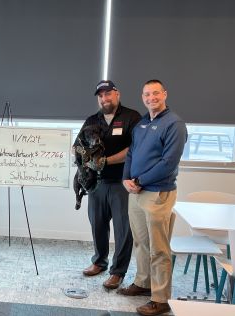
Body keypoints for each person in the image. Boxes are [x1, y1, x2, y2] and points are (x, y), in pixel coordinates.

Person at [117, 79, 187, 316]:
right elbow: (131, 154)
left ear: (165, 94)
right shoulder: (142, 124)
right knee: (141, 243)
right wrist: (127, 179)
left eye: (156, 93)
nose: (151, 98)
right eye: (147, 94)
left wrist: (139, 181)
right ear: (143, 97)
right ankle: (143, 282)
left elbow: (168, 163)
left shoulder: (174, 124)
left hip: (158, 192)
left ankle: (160, 298)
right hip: (135, 192)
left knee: (159, 248)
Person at [77, 80, 141, 291]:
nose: (104, 99)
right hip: (96, 184)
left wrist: (106, 161)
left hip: (122, 183)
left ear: (117, 94)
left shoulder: (132, 117)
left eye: (108, 94)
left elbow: (135, 149)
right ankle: (99, 262)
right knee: (97, 225)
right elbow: (76, 147)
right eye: (100, 96)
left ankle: (117, 272)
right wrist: (84, 158)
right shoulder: (92, 120)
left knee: (123, 230)